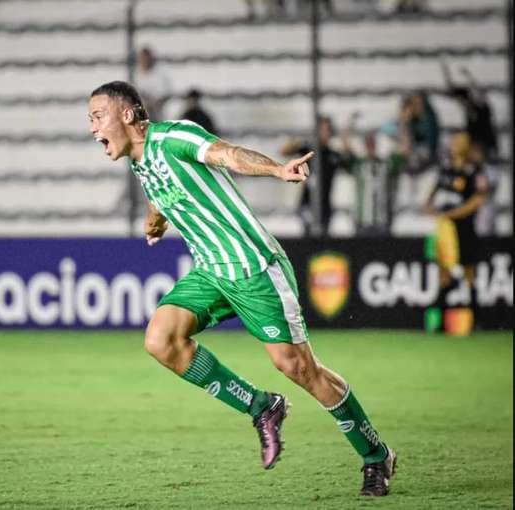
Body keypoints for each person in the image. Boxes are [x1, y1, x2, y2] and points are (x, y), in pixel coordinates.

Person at [88, 81, 396, 497]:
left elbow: (227, 154)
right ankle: (260, 406)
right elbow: (162, 187)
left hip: (254, 268)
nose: (92, 128)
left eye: (97, 116)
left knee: (298, 369)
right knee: (161, 339)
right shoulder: (138, 160)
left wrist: (276, 168)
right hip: (211, 272)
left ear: (127, 115)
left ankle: (376, 455)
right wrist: (156, 218)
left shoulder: (175, 136)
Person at [423, 132, 489, 334]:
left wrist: (453, 213)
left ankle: (475, 321)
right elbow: (430, 198)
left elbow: (478, 200)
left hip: (465, 229)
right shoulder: (446, 170)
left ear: (466, 146)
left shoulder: (474, 172)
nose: (453, 145)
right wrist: (431, 208)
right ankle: (440, 324)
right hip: (446, 230)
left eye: (457, 142)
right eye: (453, 141)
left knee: (469, 273)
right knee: (444, 274)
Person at [281, 116, 351, 237]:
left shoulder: (332, 154)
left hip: (325, 206)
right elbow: (284, 151)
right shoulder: (308, 149)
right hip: (307, 203)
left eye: (327, 129)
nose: (325, 133)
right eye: (322, 129)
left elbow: (348, 165)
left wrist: (345, 141)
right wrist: (296, 142)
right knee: (309, 237)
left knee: (322, 239)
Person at [134, 47, 172, 121]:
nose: (144, 61)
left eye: (146, 58)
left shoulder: (160, 73)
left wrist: (155, 102)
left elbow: (167, 93)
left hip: (158, 113)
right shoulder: (136, 74)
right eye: (142, 58)